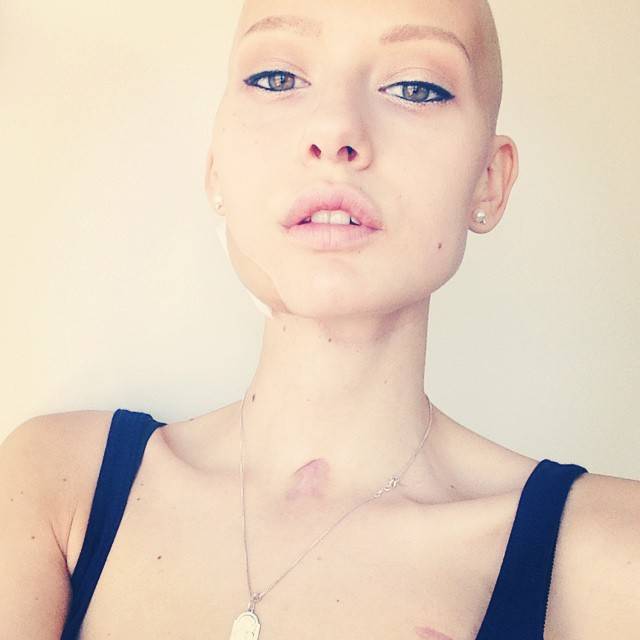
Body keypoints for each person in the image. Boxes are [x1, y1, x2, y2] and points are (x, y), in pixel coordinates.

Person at [1, 1, 639, 639]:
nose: (335, 130)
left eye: (415, 87)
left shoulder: (612, 555)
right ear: (216, 165)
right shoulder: (56, 486)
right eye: (276, 78)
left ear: (489, 182)